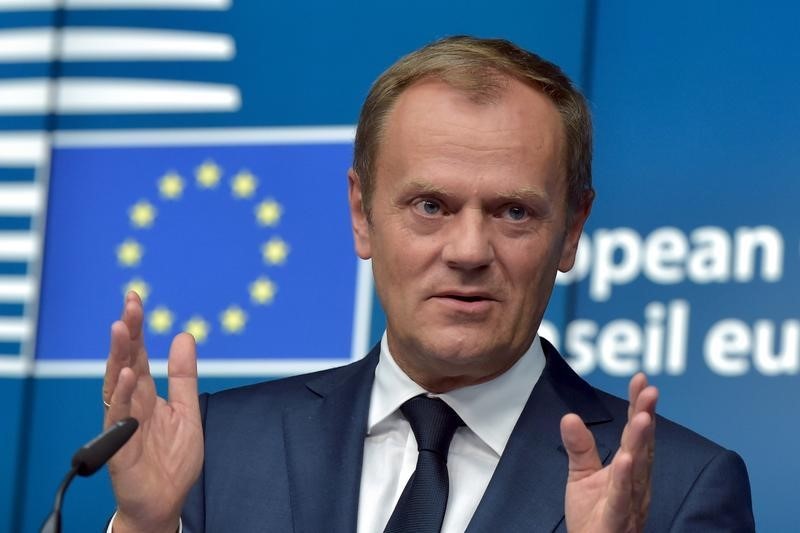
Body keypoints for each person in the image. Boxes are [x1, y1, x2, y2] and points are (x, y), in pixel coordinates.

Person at [102, 36, 755, 532]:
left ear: (571, 229)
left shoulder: (678, 486)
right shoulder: (221, 449)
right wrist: (145, 525)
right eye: (431, 206)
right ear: (362, 215)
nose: (469, 250)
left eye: (513, 211)